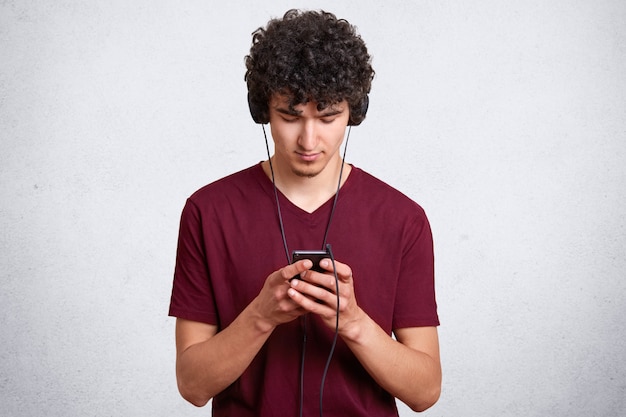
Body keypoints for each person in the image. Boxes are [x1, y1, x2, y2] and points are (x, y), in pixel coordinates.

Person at [168, 9, 441, 416]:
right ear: (262, 111)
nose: (309, 139)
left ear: (356, 111)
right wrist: (261, 315)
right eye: (290, 116)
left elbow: (425, 393)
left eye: (329, 117)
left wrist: (352, 322)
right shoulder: (207, 211)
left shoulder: (403, 219)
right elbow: (192, 386)